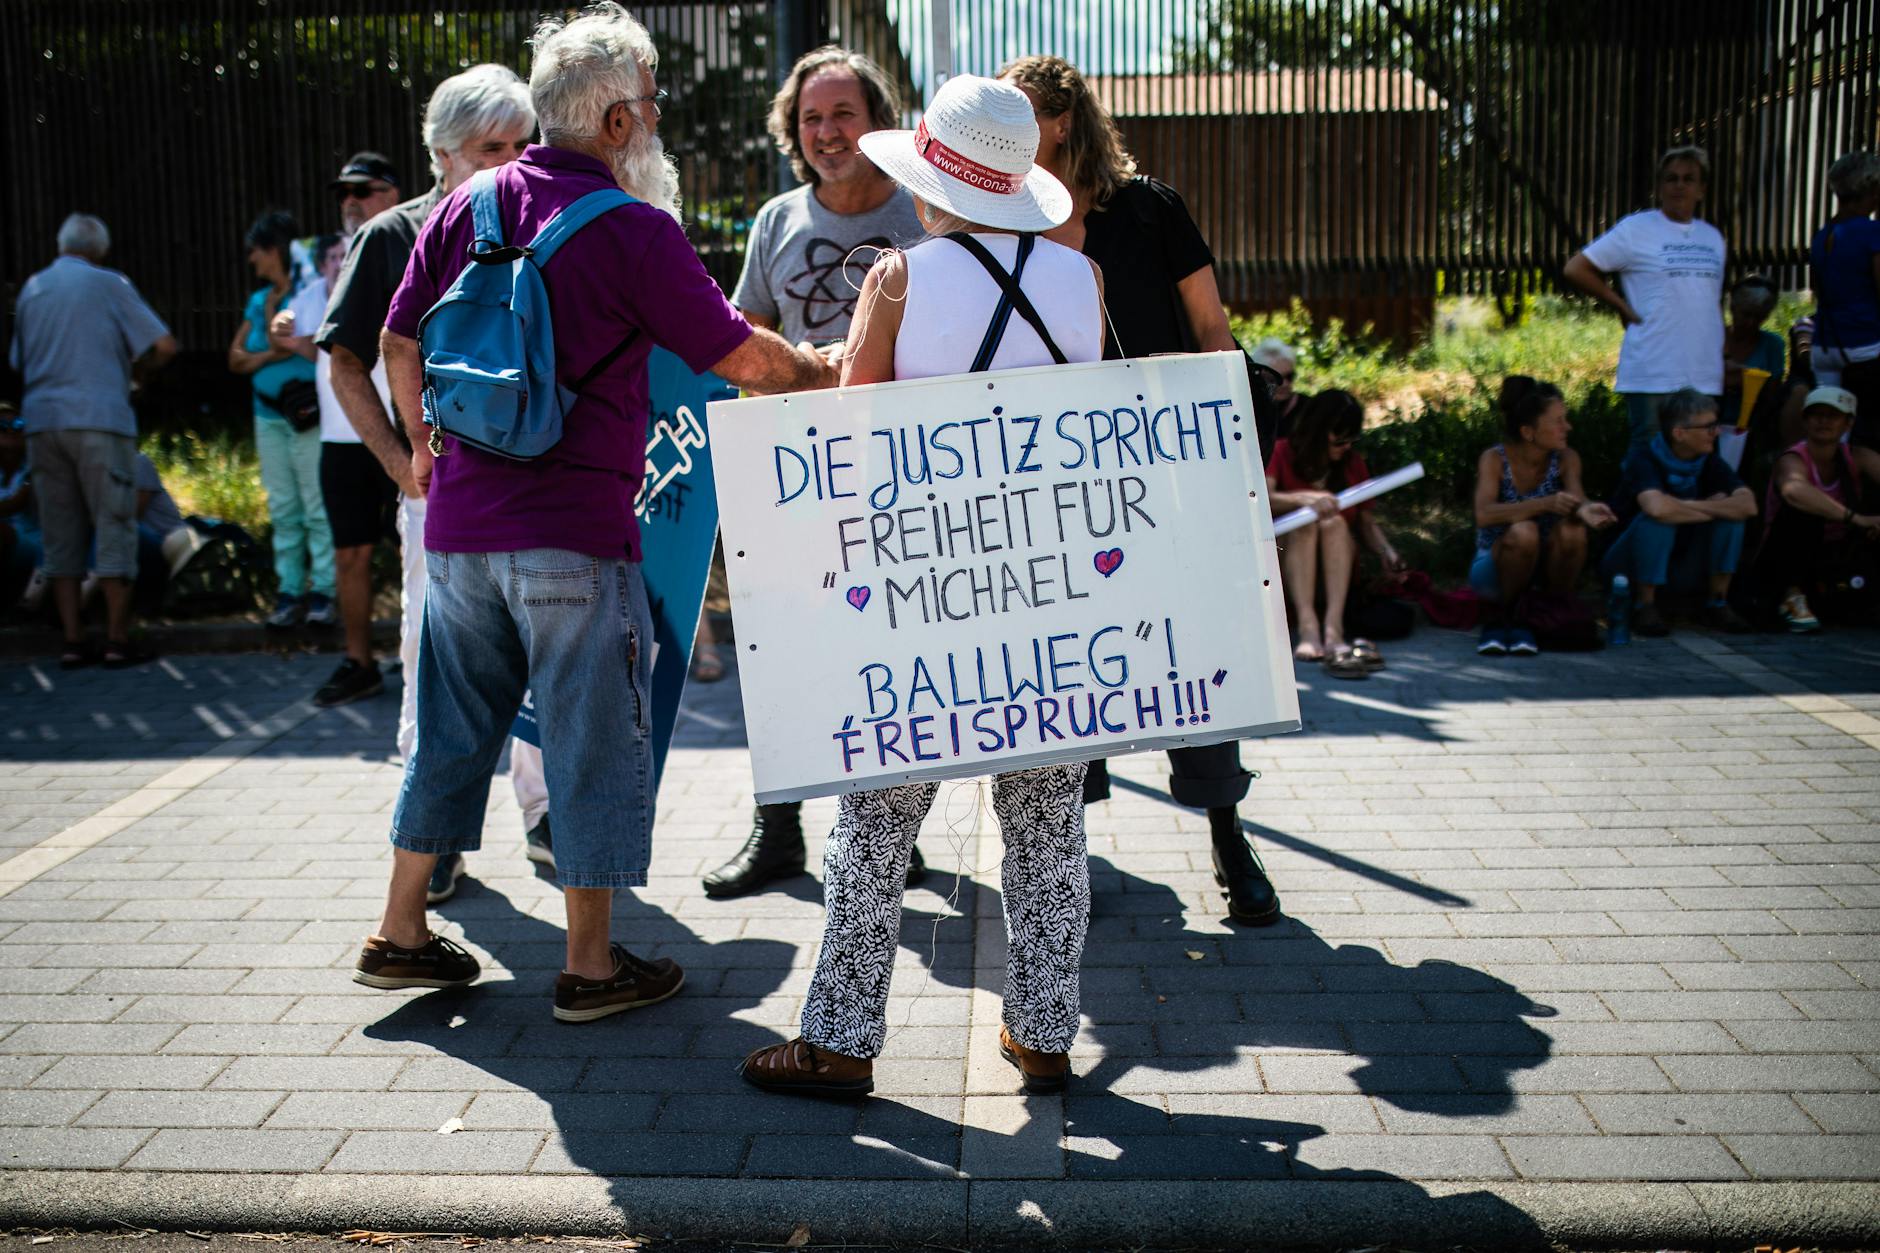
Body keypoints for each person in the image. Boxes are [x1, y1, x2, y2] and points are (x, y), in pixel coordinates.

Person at [360, 1, 836, 1022]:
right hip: (573, 533)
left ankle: (399, 932)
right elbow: (741, 357)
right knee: (588, 742)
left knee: (448, 731)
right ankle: (589, 966)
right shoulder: (632, 230)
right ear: (616, 123)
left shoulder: (468, 205)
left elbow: (399, 339)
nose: (654, 121)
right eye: (651, 105)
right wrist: (826, 368)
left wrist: (422, 451)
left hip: (458, 534)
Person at [739, 73, 1103, 1100]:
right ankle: (1041, 1031)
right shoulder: (1080, 277)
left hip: (924, 601)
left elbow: (852, 438)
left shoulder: (896, 276)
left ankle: (840, 1038)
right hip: (1043, 590)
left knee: (875, 821)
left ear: (932, 178)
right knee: (1046, 825)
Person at [997, 53, 1277, 927]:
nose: (1008, 134)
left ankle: (1229, 832)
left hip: (1170, 474)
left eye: (1022, 115)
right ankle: (1067, 857)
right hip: (1058, 489)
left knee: (1191, 651)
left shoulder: (1151, 210)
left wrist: (1218, 449)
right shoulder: (1002, 223)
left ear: (1065, 122)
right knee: (1072, 660)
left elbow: (1213, 334)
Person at [704, 45, 928, 901]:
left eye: (844, 113)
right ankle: (781, 829)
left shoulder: (922, 214)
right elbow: (741, 339)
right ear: (793, 133)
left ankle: (888, 834)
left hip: (898, 474)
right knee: (779, 656)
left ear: (877, 119)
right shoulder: (776, 221)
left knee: (889, 655)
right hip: (791, 480)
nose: (828, 132)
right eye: (811, 118)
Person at [314, 64, 543, 892]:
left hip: (535, 487)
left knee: (541, 654)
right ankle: (434, 833)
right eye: (492, 148)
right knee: (429, 656)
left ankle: (542, 811)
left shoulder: (544, 222)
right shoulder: (394, 234)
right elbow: (347, 361)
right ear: (442, 153)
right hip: (442, 493)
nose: (512, 160)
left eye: (524, 143)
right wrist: (400, 466)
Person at [279, 157, 420, 709]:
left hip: (406, 430)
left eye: (363, 189)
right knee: (349, 554)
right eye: (343, 191)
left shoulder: (415, 242)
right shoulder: (322, 270)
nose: (350, 200)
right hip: (344, 434)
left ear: (394, 192)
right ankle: (358, 662)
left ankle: (436, 659)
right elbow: (299, 332)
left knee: (428, 552)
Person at [10, 213, 177, 667]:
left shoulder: (32, 289)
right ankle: (117, 639)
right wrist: (135, 375)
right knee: (114, 522)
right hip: (100, 417)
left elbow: (18, 359)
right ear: (99, 249)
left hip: (44, 420)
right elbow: (164, 345)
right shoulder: (109, 283)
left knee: (59, 531)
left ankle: (72, 639)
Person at [1564, 145, 1726, 452]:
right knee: (1648, 457)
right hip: (1652, 371)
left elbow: (1708, 302)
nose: (1679, 185)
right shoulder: (1636, 229)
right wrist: (1620, 305)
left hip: (1703, 371)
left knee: (1698, 460)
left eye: (1688, 179)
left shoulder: (1712, 238)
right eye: (1671, 178)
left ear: (1702, 189)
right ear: (1659, 187)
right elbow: (1576, 268)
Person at [230, 210, 335, 632]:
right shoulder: (258, 301)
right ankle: (289, 590)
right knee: (283, 507)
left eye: (256, 249)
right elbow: (235, 359)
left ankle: (324, 592)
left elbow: (288, 339)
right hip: (267, 416)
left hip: (308, 418)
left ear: (274, 249)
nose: (251, 258)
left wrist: (275, 346)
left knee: (315, 506)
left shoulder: (312, 294)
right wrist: (275, 355)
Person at [1469, 377, 1616, 655]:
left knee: (1574, 530)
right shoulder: (1495, 459)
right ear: (1528, 432)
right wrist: (1545, 503)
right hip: (1496, 566)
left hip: (1544, 565)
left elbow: (1577, 499)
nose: (1567, 427)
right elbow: (1484, 515)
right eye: (1558, 421)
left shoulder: (1566, 458)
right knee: (1525, 532)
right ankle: (1506, 616)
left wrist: (1588, 510)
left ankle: (1552, 612)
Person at [1266, 390, 1405, 678]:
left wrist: (1387, 553)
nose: (1345, 446)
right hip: (1289, 566)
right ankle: (1308, 627)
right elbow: (1261, 498)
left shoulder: (1353, 463)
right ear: (1317, 431)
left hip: (1336, 568)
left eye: (1351, 439)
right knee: (1304, 523)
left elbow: (1366, 522)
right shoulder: (1281, 452)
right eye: (1339, 438)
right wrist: (1302, 500)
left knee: (1336, 523)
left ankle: (1333, 627)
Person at [1599, 388, 1757, 636]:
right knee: (1657, 522)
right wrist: (1715, 507)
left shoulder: (1709, 460)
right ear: (1679, 433)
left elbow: (1748, 505)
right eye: (1708, 427)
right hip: (1627, 567)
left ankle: (1718, 602)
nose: (1715, 433)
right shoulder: (1644, 458)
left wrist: (1685, 506)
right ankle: (1645, 605)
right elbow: (1657, 508)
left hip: (1682, 564)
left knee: (1732, 521)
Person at [1747, 386, 1880, 632]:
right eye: (1816, 414)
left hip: (1837, 555)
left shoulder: (1858, 456)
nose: (1823, 421)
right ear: (1805, 421)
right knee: (1804, 512)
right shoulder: (1792, 458)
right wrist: (1858, 519)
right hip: (1786, 556)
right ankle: (1791, 597)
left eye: (1833, 415)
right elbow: (1794, 490)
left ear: (1848, 424)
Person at [1808, 151, 1880, 447]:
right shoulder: (1871, 232)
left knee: (1833, 434)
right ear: (1873, 189)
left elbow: (1817, 289)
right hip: (1865, 344)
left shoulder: (1823, 235)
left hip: (1825, 344)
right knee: (1869, 434)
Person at [0, 407, 40, 608]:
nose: (10, 430)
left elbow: (17, 503)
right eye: (2, 426)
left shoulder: (36, 467)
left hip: (30, 544)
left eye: (18, 425)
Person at [331, 152, 403, 239]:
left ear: (392, 197)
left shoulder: (413, 246)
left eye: (361, 191)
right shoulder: (319, 249)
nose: (350, 201)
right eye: (343, 193)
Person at [1250, 335, 1304, 447]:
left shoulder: (1307, 408)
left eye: (1289, 376)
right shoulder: (1249, 408)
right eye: (1276, 378)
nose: (1285, 384)